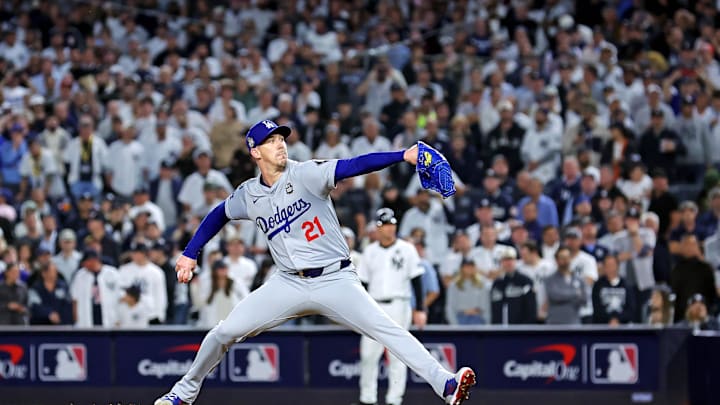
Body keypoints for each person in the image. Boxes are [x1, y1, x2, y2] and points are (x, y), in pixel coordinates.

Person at [155, 120, 475, 405]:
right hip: (288, 283)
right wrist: (190, 252)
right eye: (271, 141)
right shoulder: (249, 194)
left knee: (388, 329)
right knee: (223, 333)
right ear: (255, 153)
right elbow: (218, 214)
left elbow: (355, 165)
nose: (280, 144)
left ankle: (445, 383)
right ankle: (183, 394)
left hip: (335, 279)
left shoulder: (306, 173)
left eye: (281, 139)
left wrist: (403, 155)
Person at [356, 208, 426, 405]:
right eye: (385, 225)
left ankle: (394, 400)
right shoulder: (369, 252)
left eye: (391, 224)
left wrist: (420, 309)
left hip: (399, 304)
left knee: (398, 356)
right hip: (374, 306)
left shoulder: (407, 249)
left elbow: (417, 279)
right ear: (377, 229)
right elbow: (362, 284)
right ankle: (367, 399)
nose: (389, 228)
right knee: (368, 355)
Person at [70, 249, 121, 328]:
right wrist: (76, 320)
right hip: (87, 317)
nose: (84, 264)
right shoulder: (80, 275)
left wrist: (119, 318)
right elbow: (75, 299)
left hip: (109, 316)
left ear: (94, 260)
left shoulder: (112, 273)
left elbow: (120, 297)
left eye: (86, 262)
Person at [490, 247, 537, 325]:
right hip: (499, 330)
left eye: (511, 260)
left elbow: (531, 309)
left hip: (520, 331)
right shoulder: (496, 284)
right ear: (501, 262)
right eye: (505, 260)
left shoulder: (525, 281)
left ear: (516, 261)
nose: (508, 263)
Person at [545, 246, 586, 325]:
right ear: (556, 260)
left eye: (567, 257)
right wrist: (575, 293)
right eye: (562, 258)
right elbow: (554, 296)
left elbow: (584, 299)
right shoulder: (550, 279)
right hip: (554, 324)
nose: (565, 260)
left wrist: (563, 294)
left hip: (574, 323)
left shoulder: (579, 279)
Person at [592, 255, 635, 325]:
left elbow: (631, 309)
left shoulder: (626, 285)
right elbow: (597, 308)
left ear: (618, 266)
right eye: (607, 266)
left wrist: (618, 319)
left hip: (623, 326)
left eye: (612, 265)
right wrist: (609, 319)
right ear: (604, 267)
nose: (610, 268)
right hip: (602, 326)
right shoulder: (598, 285)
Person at [445, 259, 490, 325]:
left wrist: (487, 323)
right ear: (462, 268)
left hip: (477, 319)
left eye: (471, 266)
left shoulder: (482, 284)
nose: (469, 268)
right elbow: (450, 307)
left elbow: (486, 306)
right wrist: (454, 324)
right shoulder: (454, 285)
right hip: (460, 318)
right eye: (467, 266)